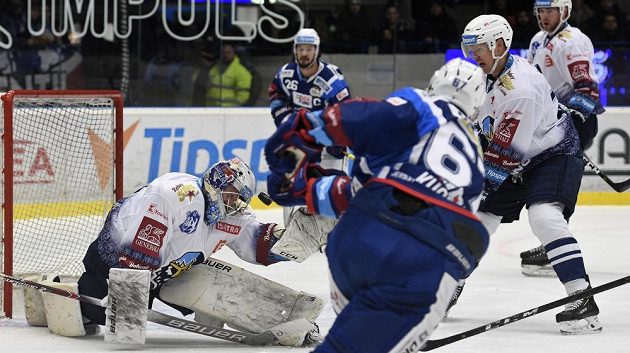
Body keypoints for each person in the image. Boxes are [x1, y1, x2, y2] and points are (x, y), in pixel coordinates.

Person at [264, 58, 490, 352]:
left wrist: (307, 139)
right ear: (476, 105)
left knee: (354, 336)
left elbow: (368, 123)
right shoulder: (475, 161)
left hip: (359, 238)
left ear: (434, 84)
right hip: (423, 263)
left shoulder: (421, 104)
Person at [76, 157, 318, 344]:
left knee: (201, 275)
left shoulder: (233, 215)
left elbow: (256, 246)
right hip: (113, 261)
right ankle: (73, 299)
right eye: (233, 196)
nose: (236, 205)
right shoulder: (174, 195)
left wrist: (295, 239)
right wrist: (126, 295)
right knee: (102, 319)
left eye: (240, 200)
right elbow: (138, 252)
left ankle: (222, 308)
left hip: (165, 271)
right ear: (217, 185)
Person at [462, 14, 601, 334]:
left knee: (544, 216)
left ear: (499, 45)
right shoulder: (483, 78)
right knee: (477, 223)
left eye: (479, 48)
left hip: (553, 156)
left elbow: (506, 156)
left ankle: (582, 298)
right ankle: (446, 288)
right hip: (518, 160)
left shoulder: (519, 89)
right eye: (470, 48)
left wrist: (474, 190)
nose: (473, 55)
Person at [522, 0, 605, 277]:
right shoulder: (538, 41)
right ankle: (551, 241)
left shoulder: (572, 41)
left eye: (550, 11)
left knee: (555, 183)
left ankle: (552, 247)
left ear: (565, 11)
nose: (544, 16)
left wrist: (571, 123)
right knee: (544, 180)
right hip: (552, 122)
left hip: (575, 120)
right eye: (541, 11)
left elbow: (587, 89)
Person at [266, 28, 352, 263]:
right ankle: (293, 239)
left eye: (308, 49)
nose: (304, 53)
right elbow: (275, 95)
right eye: (300, 49)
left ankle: (332, 235)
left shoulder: (332, 79)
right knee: (290, 186)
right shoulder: (285, 74)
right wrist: (285, 122)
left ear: (317, 50)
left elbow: (345, 110)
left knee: (330, 190)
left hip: (327, 145)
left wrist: (337, 139)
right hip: (299, 142)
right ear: (295, 50)